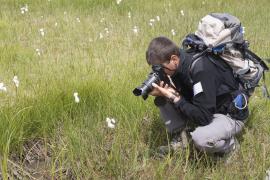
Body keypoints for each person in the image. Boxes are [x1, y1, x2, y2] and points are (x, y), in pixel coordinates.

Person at [146, 36, 246, 157]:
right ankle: (182, 137)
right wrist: (168, 92)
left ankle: (230, 146)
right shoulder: (180, 66)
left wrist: (175, 98)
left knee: (201, 139)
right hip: (208, 107)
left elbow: (204, 117)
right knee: (163, 97)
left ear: (174, 59)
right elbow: (190, 97)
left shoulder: (201, 70)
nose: (159, 71)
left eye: (160, 67)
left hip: (229, 114)